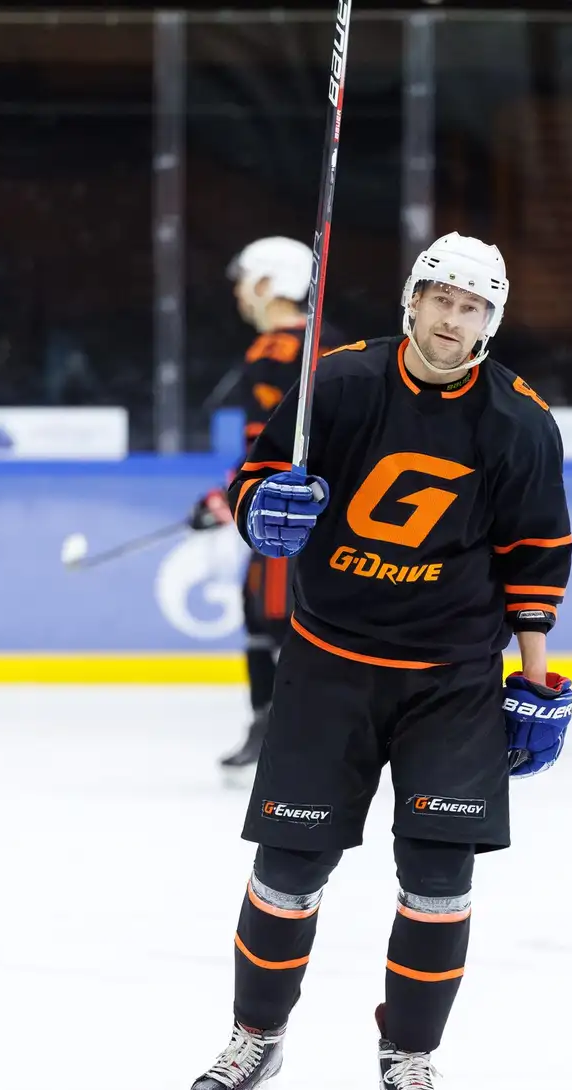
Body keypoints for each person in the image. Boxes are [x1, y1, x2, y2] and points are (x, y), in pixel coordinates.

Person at [186, 233, 572, 1090]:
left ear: (490, 322)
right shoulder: (339, 382)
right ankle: (255, 1041)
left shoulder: (520, 421)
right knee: (288, 869)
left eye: (472, 307)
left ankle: (409, 1059)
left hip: (454, 677)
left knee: (440, 880)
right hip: (330, 662)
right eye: (441, 298)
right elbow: (258, 480)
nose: (452, 319)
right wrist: (265, 513)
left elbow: (535, 554)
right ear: (413, 300)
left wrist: (534, 678)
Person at [189, 237, 334, 778]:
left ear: (271, 283)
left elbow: (270, 448)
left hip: (286, 515)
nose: (238, 293)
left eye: (246, 280)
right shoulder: (334, 343)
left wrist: (225, 497)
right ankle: (290, 730)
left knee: (272, 618)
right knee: (284, 620)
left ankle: (281, 732)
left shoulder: (275, 351)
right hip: (325, 509)